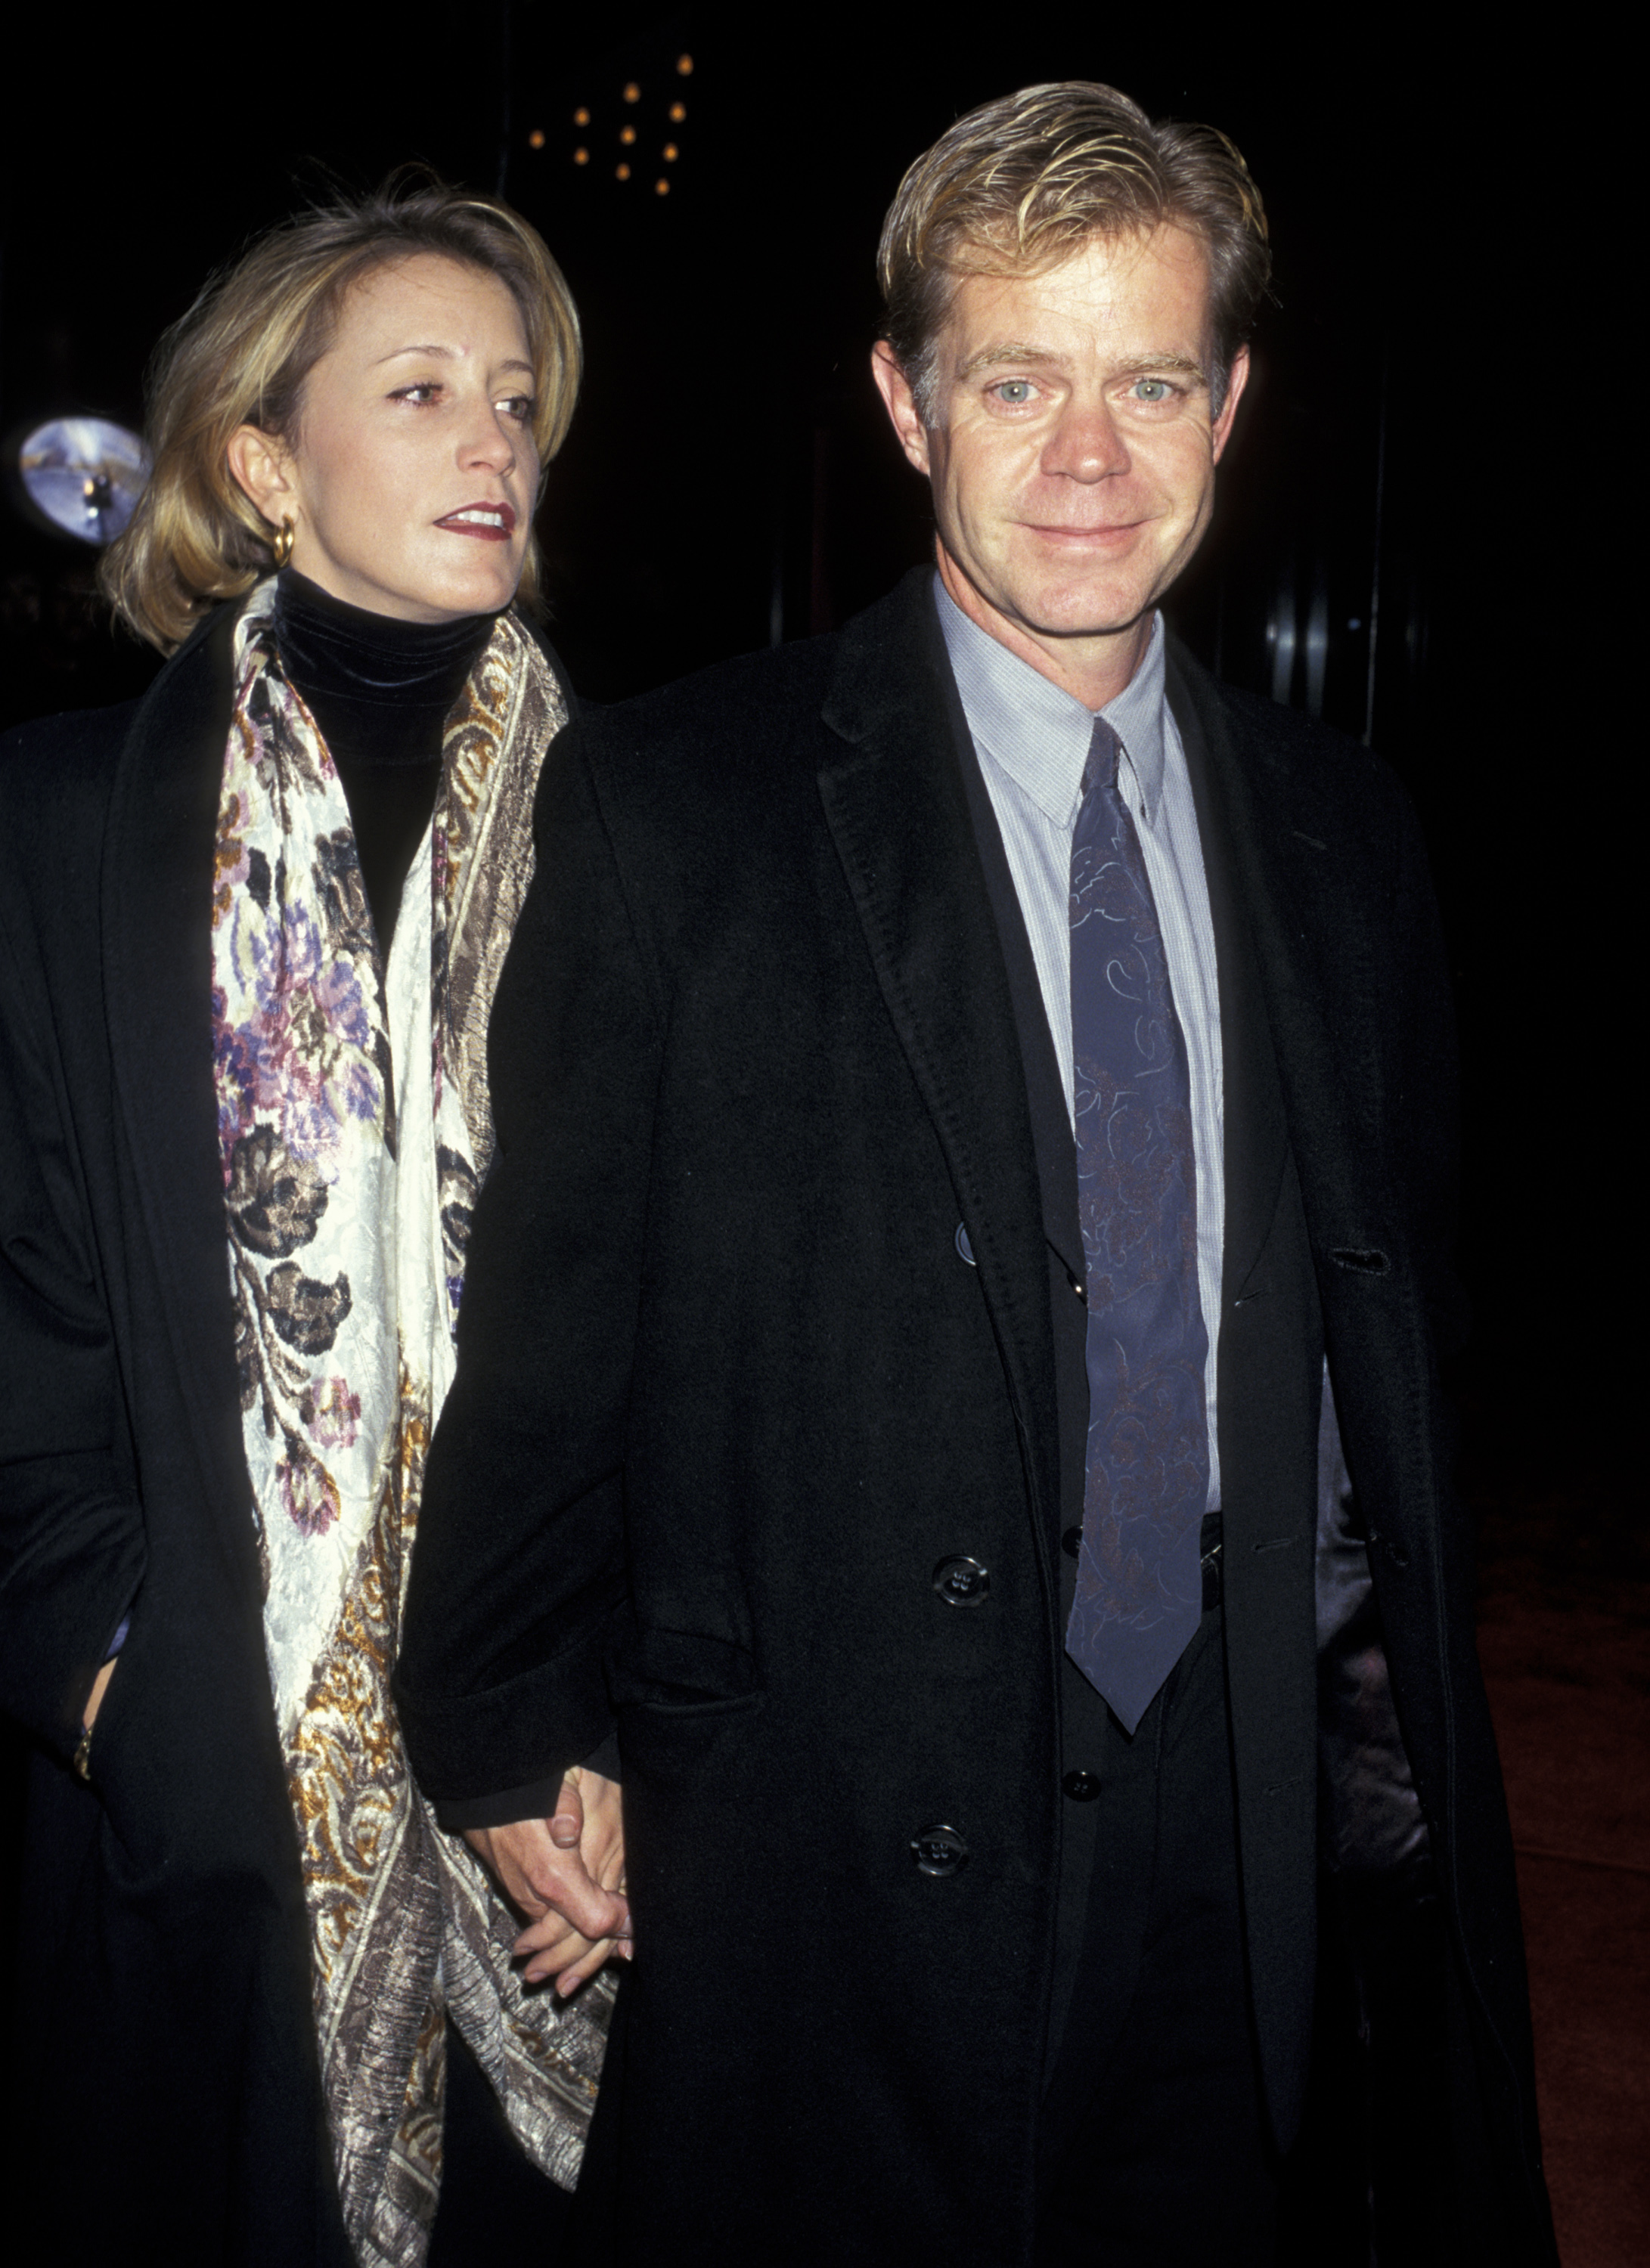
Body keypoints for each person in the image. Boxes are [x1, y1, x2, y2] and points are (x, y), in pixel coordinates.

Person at [395, 84, 1557, 2265]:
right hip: (832, 1813)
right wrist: (509, 1713)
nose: (1088, 455)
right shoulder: (680, 808)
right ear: (905, 402)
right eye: (1018, 382)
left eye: (1148, 384)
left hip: (1248, 1825)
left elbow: (1400, 1341)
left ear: (1229, 404)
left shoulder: (1348, 836)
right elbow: (551, 1322)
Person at [0, 178, 627, 2263]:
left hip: (557, 1805)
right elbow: (23, 1313)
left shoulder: (638, 831)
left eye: (517, 400)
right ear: (265, 465)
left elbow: (680, 1320)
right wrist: (116, 1685)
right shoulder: (58, 824)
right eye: (422, 390)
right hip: (202, 1808)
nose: (493, 439)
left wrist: (613, 1723)